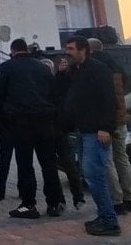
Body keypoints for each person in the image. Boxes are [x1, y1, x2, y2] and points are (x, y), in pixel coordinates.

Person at [0, 38, 65, 218]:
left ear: (13, 51)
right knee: (48, 164)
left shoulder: (7, 67)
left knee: (25, 165)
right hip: (45, 123)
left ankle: (29, 205)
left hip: (20, 124)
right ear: (27, 50)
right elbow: (55, 95)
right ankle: (54, 203)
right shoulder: (42, 68)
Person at [64, 36, 120, 237]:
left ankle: (110, 220)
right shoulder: (77, 71)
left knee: (95, 175)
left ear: (83, 50)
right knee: (90, 176)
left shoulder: (98, 70)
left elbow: (109, 100)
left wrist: (105, 128)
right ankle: (103, 215)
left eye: (71, 49)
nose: (67, 52)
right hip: (82, 130)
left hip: (95, 132)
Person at [88, 38, 131, 214]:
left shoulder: (96, 68)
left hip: (106, 121)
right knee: (122, 158)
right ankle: (130, 198)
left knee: (107, 162)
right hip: (121, 119)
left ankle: (117, 201)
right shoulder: (117, 66)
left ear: (90, 50)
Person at [47, 56, 86, 210]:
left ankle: (75, 197)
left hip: (59, 131)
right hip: (54, 131)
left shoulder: (57, 83)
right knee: (58, 167)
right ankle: (65, 199)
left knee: (67, 165)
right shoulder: (52, 84)